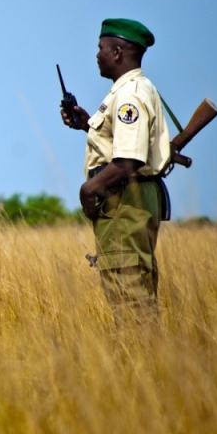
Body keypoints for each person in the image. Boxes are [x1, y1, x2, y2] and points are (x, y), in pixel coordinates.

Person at [60, 18, 171, 325]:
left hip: (123, 201)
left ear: (118, 52)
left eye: (101, 48)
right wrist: (86, 125)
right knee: (135, 289)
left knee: (129, 299)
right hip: (133, 199)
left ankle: (142, 364)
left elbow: (128, 160)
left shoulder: (129, 95)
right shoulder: (136, 88)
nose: (97, 54)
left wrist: (90, 189)